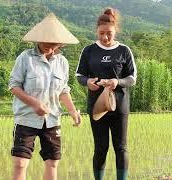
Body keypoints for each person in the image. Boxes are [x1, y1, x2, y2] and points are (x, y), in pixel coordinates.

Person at [9, 13, 82, 180]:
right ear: (38, 39)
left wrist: (72, 112)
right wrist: (34, 103)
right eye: (47, 42)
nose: (51, 46)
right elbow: (14, 86)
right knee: (20, 162)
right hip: (26, 118)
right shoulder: (25, 58)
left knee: (52, 162)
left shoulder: (62, 62)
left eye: (55, 43)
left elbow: (63, 90)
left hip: (52, 119)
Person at [75, 7, 137, 180]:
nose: (105, 37)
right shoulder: (89, 51)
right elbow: (79, 75)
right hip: (97, 106)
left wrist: (118, 82)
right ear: (96, 30)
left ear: (115, 30)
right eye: (101, 33)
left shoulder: (124, 51)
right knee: (101, 147)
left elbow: (132, 78)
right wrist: (87, 82)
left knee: (121, 147)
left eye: (109, 33)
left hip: (120, 105)